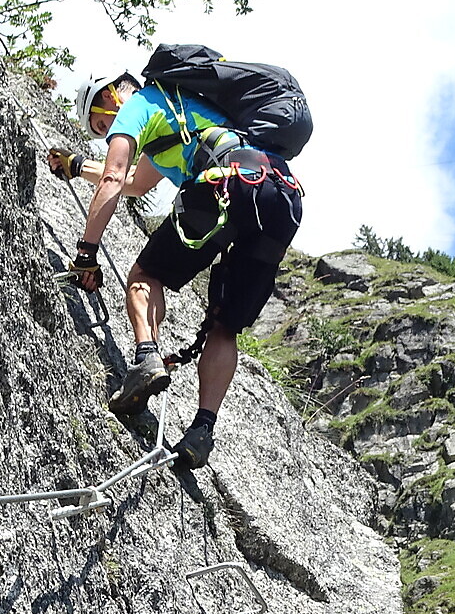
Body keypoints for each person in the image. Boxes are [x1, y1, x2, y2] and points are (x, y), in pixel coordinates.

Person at [46, 69, 302, 471]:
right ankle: (202, 430)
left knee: (145, 277)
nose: (108, 130)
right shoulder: (179, 114)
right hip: (279, 195)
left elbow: (114, 176)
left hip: (224, 184)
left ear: (111, 95)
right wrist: (78, 166)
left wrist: (86, 252)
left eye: (101, 121)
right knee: (225, 327)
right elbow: (133, 182)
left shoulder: (137, 106)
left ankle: (146, 357)